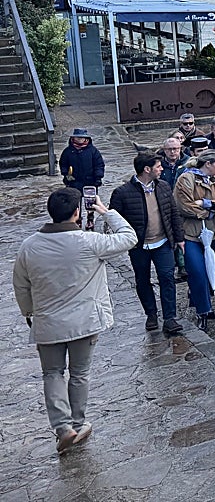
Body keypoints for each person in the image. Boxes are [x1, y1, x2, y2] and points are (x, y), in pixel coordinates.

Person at [12, 188, 137, 453]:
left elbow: (21, 286)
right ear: (77, 212)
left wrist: (29, 312)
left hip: (47, 322)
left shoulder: (29, 246)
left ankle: (62, 427)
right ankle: (78, 424)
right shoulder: (89, 242)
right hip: (85, 321)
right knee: (80, 373)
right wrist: (105, 211)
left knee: (52, 373)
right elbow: (129, 237)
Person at [109, 151, 185, 336]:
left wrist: (179, 237)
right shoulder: (122, 193)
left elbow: (173, 213)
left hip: (163, 242)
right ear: (147, 169)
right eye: (158, 166)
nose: (161, 169)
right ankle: (151, 314)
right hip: (139, 246)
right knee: (142, 280)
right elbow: (114, 219)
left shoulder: (164, 186)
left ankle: (169, 318)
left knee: (167, 277)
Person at [173, 149, 215, 321]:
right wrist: (211, 211)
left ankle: (204, 301)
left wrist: (207, 204)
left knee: (210, 268)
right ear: (208, 164)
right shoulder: (185, 178)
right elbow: (185, 206)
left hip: (212, 232)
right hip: (191, 233)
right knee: (197, 271)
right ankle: (203, 308)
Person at [59, 128, 105, 193]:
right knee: (74, 200)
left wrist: (98, 178)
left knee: (90, 201)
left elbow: (99, 165)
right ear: (73, 138)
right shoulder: (68, 151)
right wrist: (66, 175)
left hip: (90, 182)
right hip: (74, 182)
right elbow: (63, 164)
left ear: (86, 138)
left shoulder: (93, 151)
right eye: (78, 137)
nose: (80, 139)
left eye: (82, 137)